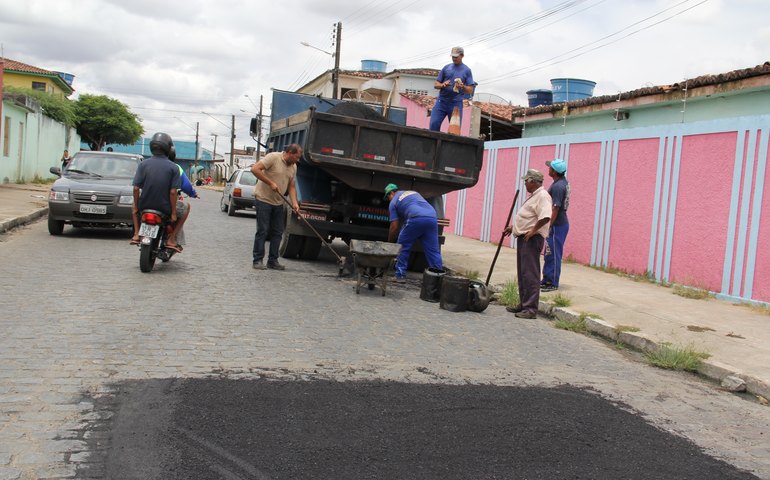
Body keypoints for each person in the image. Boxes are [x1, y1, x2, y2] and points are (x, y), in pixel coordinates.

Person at [503, 169, 552, 319]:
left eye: (526, 181)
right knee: (523, 273)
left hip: (532, 239)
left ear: (533, 181)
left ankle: (530, 309)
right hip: (524, 237)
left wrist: (532, 231)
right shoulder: (534, 196)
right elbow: (529, 217)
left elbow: (545, 217)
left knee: (530, 273)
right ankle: (524, 304)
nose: (525, 183)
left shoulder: (543, 196)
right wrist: (514, 228)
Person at [251, 144, 301, 270]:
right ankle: (257, 260)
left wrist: (295, 203)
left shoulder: (293, 167)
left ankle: (273, 260)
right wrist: (270, 183)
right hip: (263, 199)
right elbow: (255, 169)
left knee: (278, 232)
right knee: (263, 230)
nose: (297, 160)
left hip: (279, 202)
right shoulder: (273, 157)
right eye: (296, 157)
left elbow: (291, 186)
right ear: (289, 152)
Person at [130, 132, 182, 251]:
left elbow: (136, 189)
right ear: (168, 148)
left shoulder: (143, 164)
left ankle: (137, 234)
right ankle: (171, 239)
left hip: (145, 205)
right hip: (165, 208)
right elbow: (173, 192)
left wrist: (136, 206)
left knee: (132, 206)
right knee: (186, 208)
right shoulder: (173, 167)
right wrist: (173, 213)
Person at [384, 183, 443, 281]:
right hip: (432, 218)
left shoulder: (393, 202)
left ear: (391, 193)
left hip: (416, 218)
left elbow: (394, 226)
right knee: (433, 251)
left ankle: (400, 275)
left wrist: (390, 242)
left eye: (388, 197)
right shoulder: (413, 193)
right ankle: (438, 278)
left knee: (403, 246)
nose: (389, 199)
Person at [429, 46, 475, 132]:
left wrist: (462, 86)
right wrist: (443, 85)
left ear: (462, 56)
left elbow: (470, 90)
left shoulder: (467, 70)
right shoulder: (446, 68)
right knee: (433, 124)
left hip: (456, 104)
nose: (454, 58)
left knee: (454, 130)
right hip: (441, 102)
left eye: (456, 57)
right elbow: (436, 84)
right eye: (453, 56)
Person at [541, 158, 570, 292]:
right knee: (549, 252)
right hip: (558, 225)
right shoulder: (561, 182)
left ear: (555, 171)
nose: (548, 169)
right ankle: (547, 279)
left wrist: (548, 225)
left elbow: (556, 208)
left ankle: (552, 282)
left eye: (550, 167)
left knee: (553, 254)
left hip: (557, 225)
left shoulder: (558, 186)